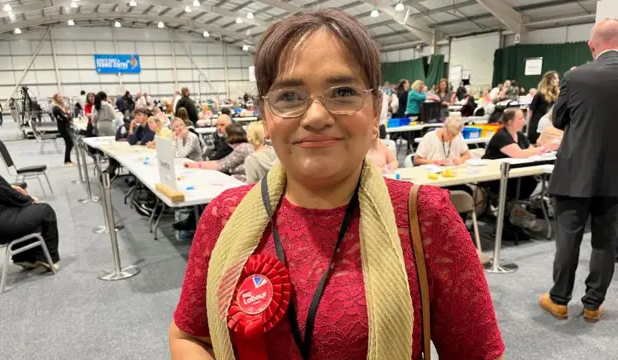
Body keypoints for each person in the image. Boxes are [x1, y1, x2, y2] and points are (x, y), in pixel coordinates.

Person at [169, 9, 504, 360]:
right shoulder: (224, 216)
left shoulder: (425, 217)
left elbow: (479, 354)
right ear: (266, 116)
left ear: (376, 110)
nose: (315, 117)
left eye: (343, 92)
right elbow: (190, 336)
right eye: (289, 96)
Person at [540, 19, 618, 323]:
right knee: (606, 243)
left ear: (592, 44)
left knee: (568, 240)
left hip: (575, 173)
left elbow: (557, 121)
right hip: (615, 178)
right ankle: (593, 305)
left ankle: (559, 300)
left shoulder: (576, 76)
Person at [0, 139, 60, 270]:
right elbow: (14, 197)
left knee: (28, 213)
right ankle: (48, 258)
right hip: (0, 228)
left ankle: (24, 257)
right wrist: (30, 199)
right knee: (45, 211)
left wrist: (10, 187)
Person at [483, 108, 558, 202]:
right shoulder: (502, 136)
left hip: (515, 173)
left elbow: (532, 151)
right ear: (510, 122)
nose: (524, 121)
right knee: (528, 181)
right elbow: (519, 154)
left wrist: (546, 150)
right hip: (497, 176)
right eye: (521, 118)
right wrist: (545, 147)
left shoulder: (520, 135)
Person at [183, 123, 253, 182]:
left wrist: (196, 165)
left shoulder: (241, 149)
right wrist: (197, 164)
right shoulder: (245, 146)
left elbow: (220, 165)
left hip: (241, 183)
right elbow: (220, 161)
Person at [525, 71, 559, 144]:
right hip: (537, 127)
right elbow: (530, 112)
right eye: (555, 78)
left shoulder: (557, 95)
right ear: (549, 80)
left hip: (550, 126)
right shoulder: (540, 94)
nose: (558, 80)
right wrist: (527, 130)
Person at [51, 94, 74, 166]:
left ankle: (68, 160)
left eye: (61, 97)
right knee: (70, 143)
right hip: (63, 127)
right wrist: (69, 118)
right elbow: (64, 116)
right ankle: (67, 161)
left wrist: (69, 117)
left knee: (69, 144)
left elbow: (67, 114)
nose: (61, 98)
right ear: (55, 98)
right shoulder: (56, 107)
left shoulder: (61, 106)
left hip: (66, 126)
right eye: (59, 97)